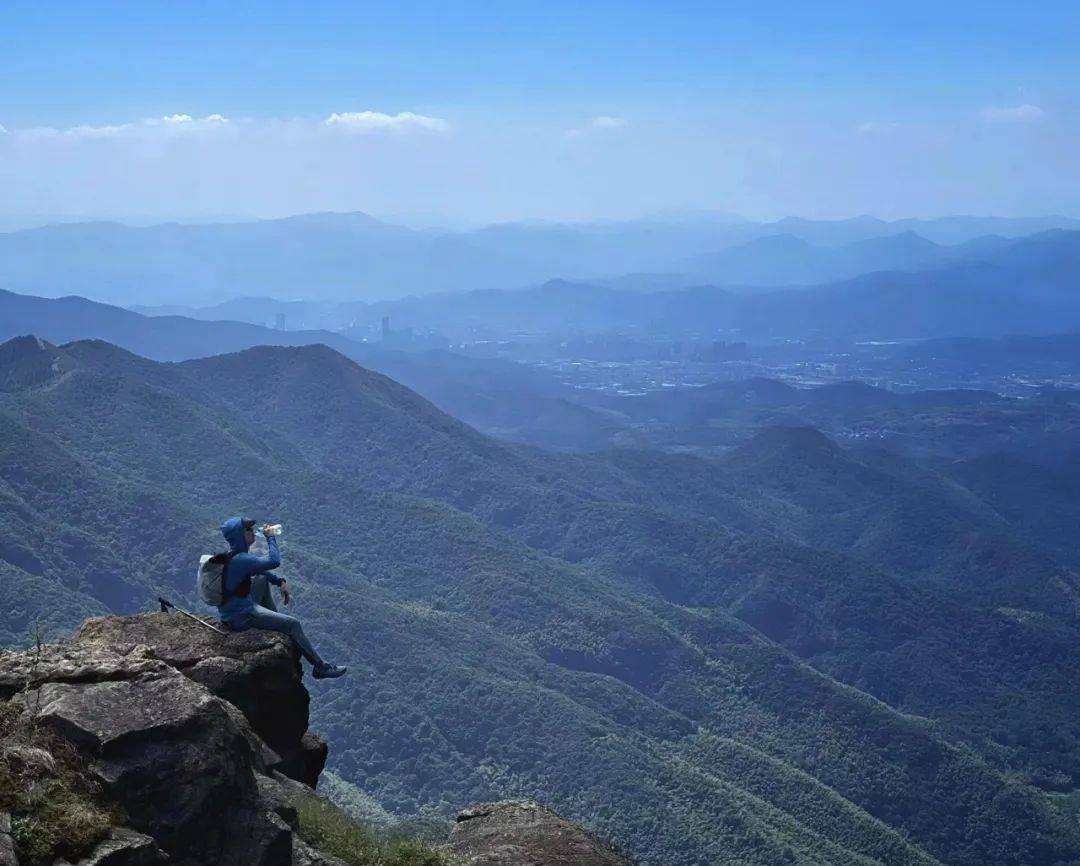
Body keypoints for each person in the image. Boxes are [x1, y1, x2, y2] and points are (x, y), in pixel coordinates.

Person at [218, 516, 346, 680]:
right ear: (240, 535)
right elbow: (274, 561)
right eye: (248, 530)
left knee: (262, 579)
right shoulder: (241, 559)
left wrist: (279, 581)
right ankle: (320, 667)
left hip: (235, 608)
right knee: (293, 624)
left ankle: (277, 623)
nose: (252, 532)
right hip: (243, 616)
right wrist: (270, 537)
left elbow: (259, 571)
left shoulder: (234, 556)